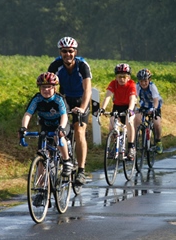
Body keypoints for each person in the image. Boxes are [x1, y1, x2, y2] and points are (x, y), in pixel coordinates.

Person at [48, 36, 92, 185]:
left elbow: (88, 90)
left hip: (81, 100)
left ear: (75, 52)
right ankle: (64, 158)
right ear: (60, 52)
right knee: (58, 130)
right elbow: (49, 88)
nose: (68, 54)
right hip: (65, 99)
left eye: (71, 51)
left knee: (79, 131)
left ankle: (81, 171)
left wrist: (82, 108)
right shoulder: (55, 65)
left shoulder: (82, 66)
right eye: (65, 51)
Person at [18, 72, 71, 175]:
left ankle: (66, 161)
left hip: (60, 124)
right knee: (41, 156)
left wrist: (61, 128)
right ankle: (41, 188)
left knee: (57, 136)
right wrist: (23, 128)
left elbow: (64, 115)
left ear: (55, 88)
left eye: (49, 87)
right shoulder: (37, 99)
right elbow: (28, 114)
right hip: (46, 126)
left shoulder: (59, 99)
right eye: (43, 87)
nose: (46, 90)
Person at [98, 63, 137, 160]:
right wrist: (102, 108)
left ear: (128, 77)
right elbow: (108, 96)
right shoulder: (113, 83)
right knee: (112, 125)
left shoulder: (131, 84)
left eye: (124, 76)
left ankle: (131, 147)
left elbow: (132, 99)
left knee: (129, 122)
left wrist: (130, 110)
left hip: (129, 106)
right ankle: (115, 145)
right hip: (117, 107)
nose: (121, 79)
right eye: (119, 76)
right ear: (116, 77)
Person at [135, 68, 163, 154]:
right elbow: (134, 98)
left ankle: (158, 141)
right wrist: (134, 107)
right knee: (136, 119)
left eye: (145, 81)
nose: (143, 83)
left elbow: (155, 100)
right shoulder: (137, 86)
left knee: (156, 123)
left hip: (155, 105)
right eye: (141, 81)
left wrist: (154, 109)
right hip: (144, 106)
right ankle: (136, 141)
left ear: (149, 80)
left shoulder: (152, 86)